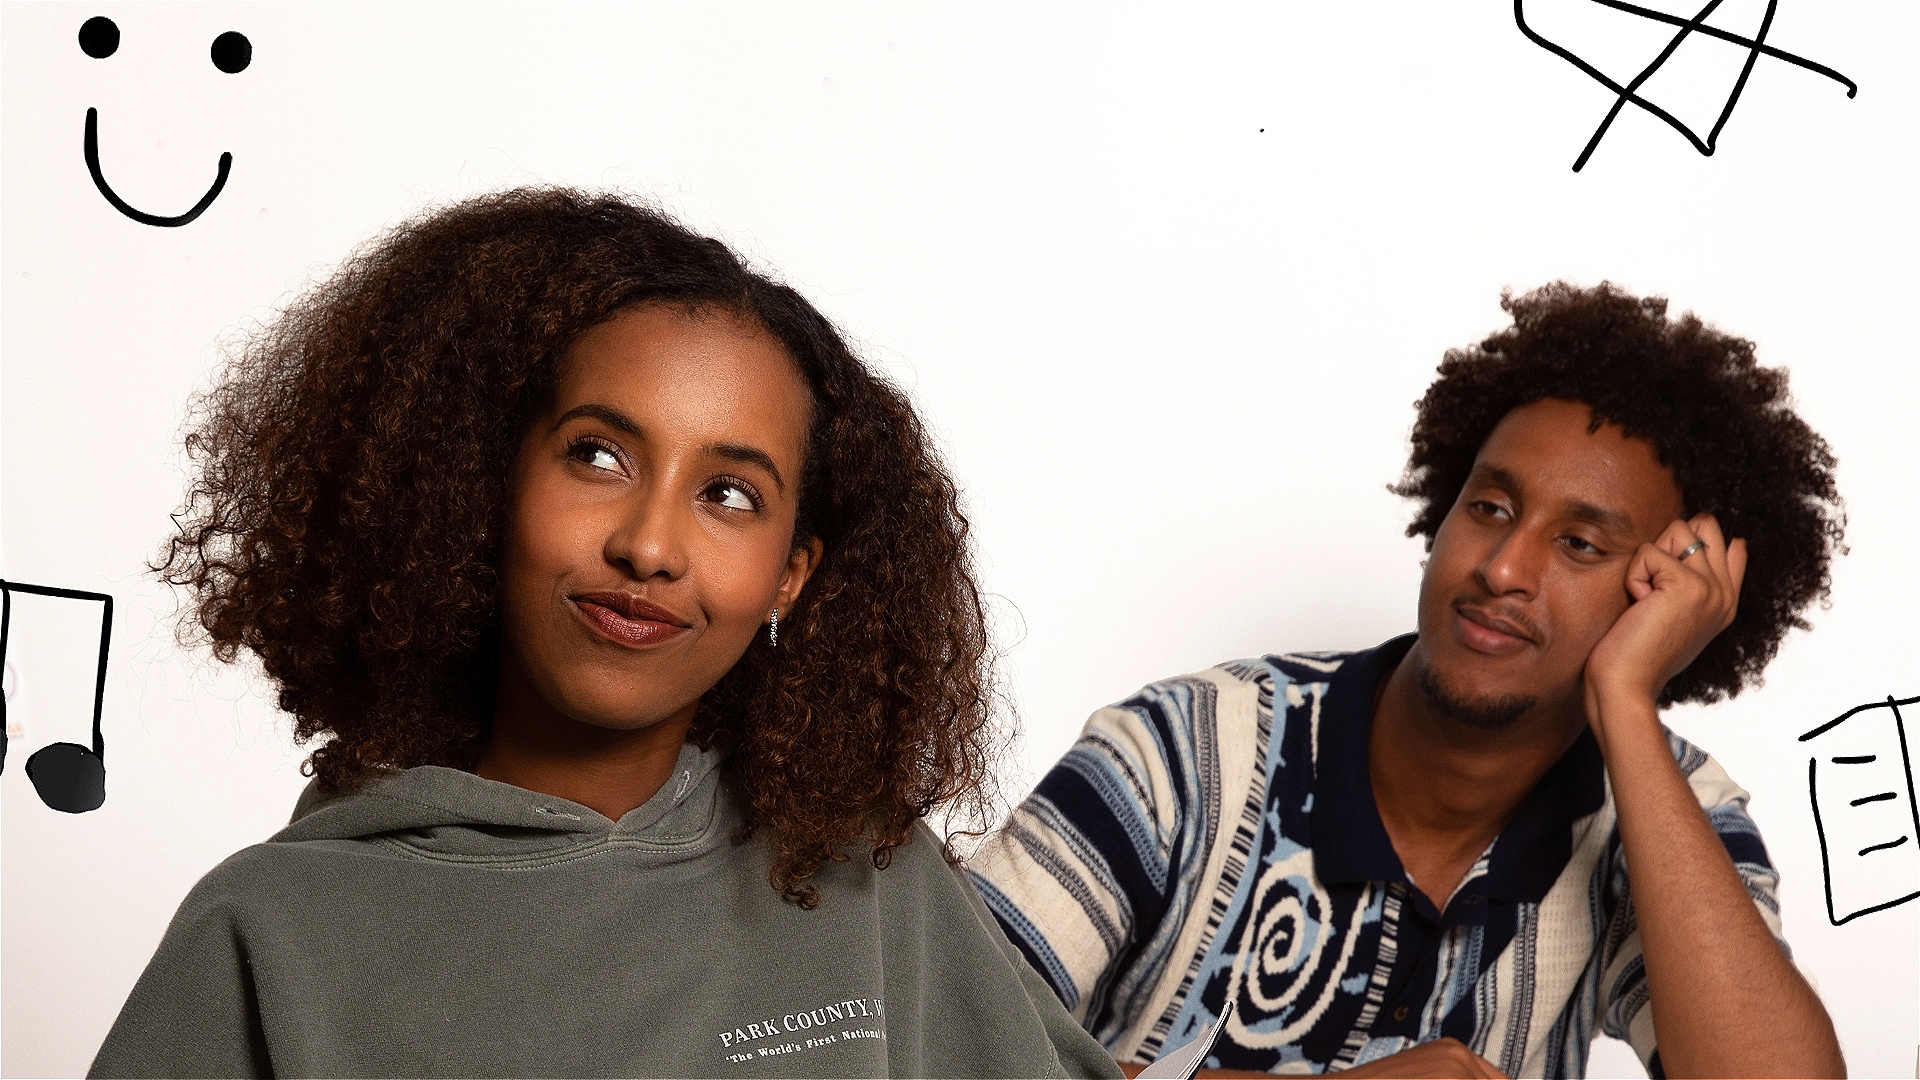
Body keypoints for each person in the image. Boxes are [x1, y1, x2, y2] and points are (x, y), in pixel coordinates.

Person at [93, 188, 1121, 1080]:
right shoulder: (270, 936)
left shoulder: (865, 886)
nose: (651, 545)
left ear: (790, 577)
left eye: (728, 493)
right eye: (597, 456)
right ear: (481, 482)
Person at [969, 282, 1848, 1079]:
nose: (1503, 567)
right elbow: (924, 1044)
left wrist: (1625, 698)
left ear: (1659, 598)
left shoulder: (1664, 814)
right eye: (1490, 508)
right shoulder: (1181, 752)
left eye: (1580, 544)